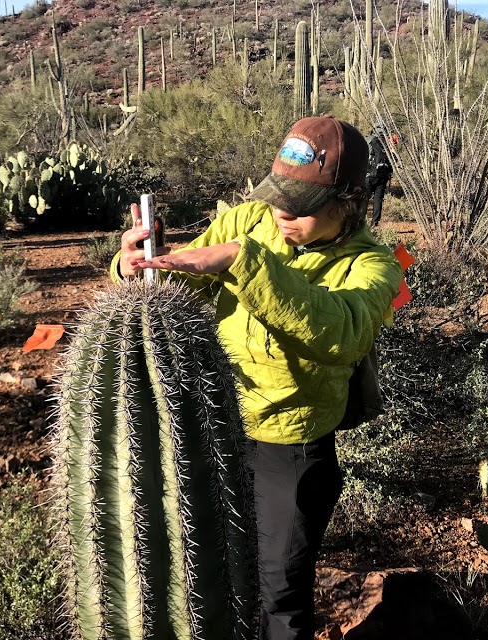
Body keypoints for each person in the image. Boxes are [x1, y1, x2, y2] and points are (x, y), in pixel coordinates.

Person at [114, 116, 403, 640]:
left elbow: (339, 334)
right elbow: (179, 285)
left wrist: (244, 264)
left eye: (302, 206)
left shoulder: (373, 265)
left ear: (350, 201)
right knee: (201, 573)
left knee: (279, 591)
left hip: (289, 445)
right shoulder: (246, 221)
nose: (282, 214)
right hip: (213, 426)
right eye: (278, 197)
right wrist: (135, 267)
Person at [365, 125, 395, 228]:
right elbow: (394, 158)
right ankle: (375, 222)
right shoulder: (388, 142)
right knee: (378, 199)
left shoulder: (369, 140)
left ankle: (361, 222)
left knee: (365, 198)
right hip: (383, 175)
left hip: (369, 174)